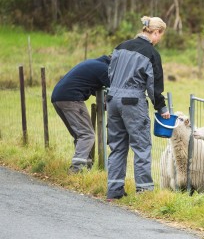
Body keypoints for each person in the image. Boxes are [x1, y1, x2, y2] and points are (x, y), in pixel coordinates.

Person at [106, 16, 170, 200]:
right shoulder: (151, 53)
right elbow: (154, 85)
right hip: (132, 102)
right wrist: (162, 108)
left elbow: (110, 72)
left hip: (112, 100)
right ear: (156, 32)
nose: (159, 40)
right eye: (160, 35)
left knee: (117, 146)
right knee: (141, 146)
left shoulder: (121, 46)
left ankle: (114, 191)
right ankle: (144, 193)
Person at [51, 55, 111, 174]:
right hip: (71, 98)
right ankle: (76, 169)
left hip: (58, 98)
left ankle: (85, 169)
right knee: (87, 134)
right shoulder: (105, 69)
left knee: (80, 135)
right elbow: (116, 89)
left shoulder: (94, 64)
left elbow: (94, 87)